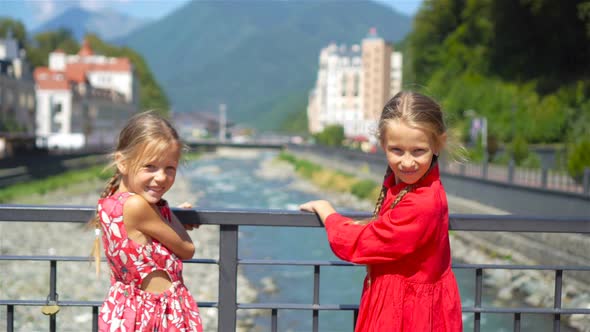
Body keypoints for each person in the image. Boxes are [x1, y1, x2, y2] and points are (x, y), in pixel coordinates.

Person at [299, 91, 463, 331]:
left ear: (439, 144)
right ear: (383, 144)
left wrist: (327, 213)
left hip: (409, 313)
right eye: (397, 150)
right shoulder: (414, 187)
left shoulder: (422, 201)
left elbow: (361, 244)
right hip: (411, 306)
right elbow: (393, 231)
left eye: (418, 151)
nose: (407, 162)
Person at [90, 111, 203, 331]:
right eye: (150, 166)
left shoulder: (110, 203)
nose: (161, 177)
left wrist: (167, 218)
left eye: (170, 168)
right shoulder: (137, 206)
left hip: (128, 313)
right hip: (155, 317)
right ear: (122, 163)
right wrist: (173, 219)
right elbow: (187, 249)